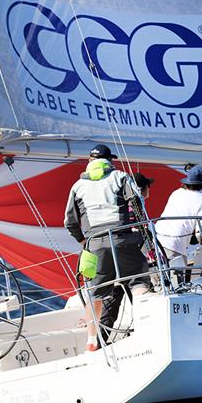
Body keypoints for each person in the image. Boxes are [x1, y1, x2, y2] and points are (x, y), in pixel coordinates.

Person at [64, 144, 149, 351]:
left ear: (90, 160)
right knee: (138, 281)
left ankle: (92, 342)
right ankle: (147, 330)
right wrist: (145, 233)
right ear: (110, 160)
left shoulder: (77, 186)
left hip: (95, 244)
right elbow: (137, 205)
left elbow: (70, 222)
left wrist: (84, 242)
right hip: (123, 239)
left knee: (95, 293)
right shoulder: (120, 176)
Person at [155, 164, 202, 261]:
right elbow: (199, 232)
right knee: (176, 275)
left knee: (157, 274)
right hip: (175, 244)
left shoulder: (177, 192)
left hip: (157, 238)